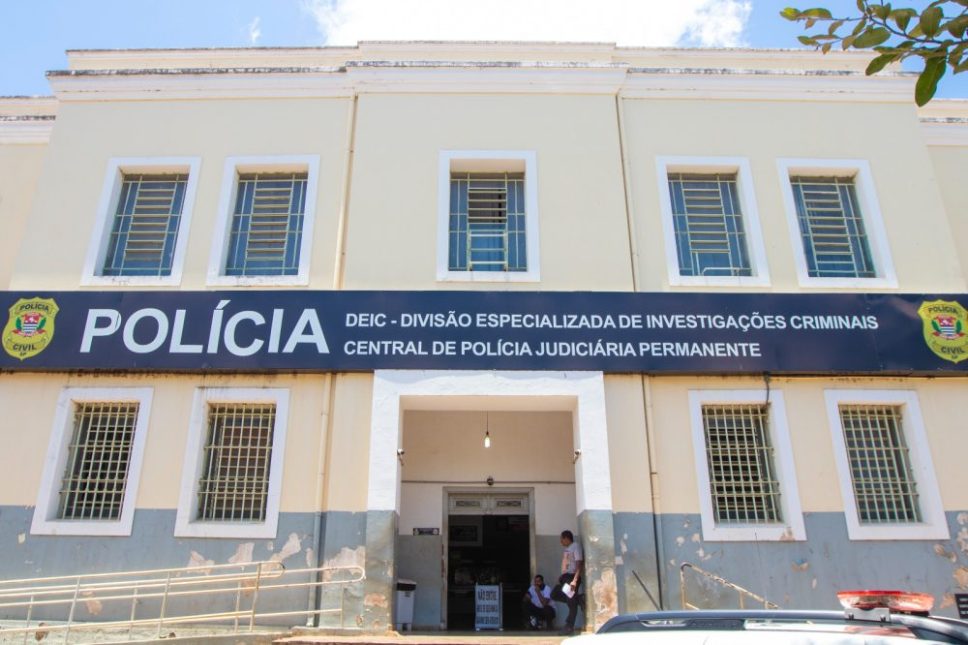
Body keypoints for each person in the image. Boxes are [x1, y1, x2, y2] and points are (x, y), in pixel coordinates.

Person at [551, 529, 584, 635]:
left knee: (571, 602)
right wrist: (561, 576)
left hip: (571, 577)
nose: (561, 541)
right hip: (565, 578)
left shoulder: (576, 546)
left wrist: (574, 580)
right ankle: (579, 599)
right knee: (554, 594)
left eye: (562, 539)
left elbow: (579, 563)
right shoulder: (567, 549)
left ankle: (569, 626)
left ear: (566, 538)